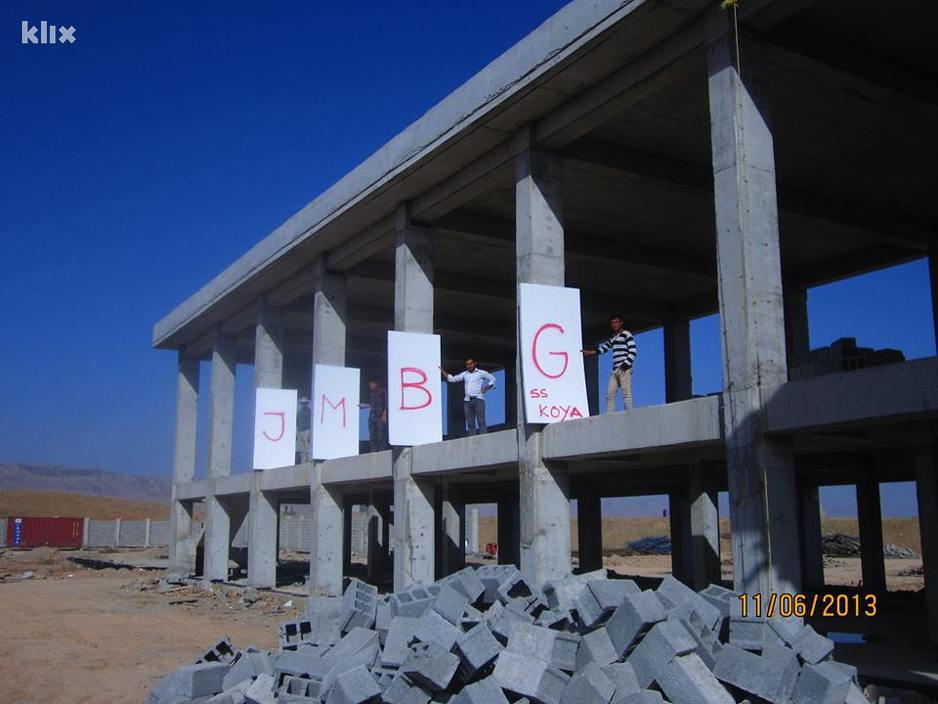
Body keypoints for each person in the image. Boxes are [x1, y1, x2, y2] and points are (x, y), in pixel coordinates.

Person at [582, 313, 638, 413]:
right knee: (610, 394)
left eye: (616, 322)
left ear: (621, 322)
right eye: (612, 323)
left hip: (624, 368)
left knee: (626, 393)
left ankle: (629, 414)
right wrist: (590, 352)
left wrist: (625, 365)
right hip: (615, 369)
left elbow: (633, 351)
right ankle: (609, 416)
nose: (614, 324)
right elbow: (604, 348)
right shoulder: (613, 338)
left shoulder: (626, 334)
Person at [441, 358, 496, 435]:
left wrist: (486, 388)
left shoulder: (481, 373)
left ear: (474, 364)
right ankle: (472, 439)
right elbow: (453, 379)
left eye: (470, 364)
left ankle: (483, 437)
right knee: (470, 423)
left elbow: (493, 379)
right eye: (467, 364)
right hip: (467, 401)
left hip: (478, 399)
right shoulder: (465, 374)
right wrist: (443, 371)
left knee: (481, 421)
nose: (469, 366)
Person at [361, 377, 388, 452]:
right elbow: (372, 404)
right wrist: (365, 405)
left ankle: (382, 450)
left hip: (379, 415)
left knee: (380, 435)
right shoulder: (371, 393)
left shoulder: (382, 392)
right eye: (370, 385)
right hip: (372, 415)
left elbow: (386, 404)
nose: (371, 386)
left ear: (376, 384)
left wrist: (384, 415)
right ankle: (374, 450)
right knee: (372, 435)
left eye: (372, 384)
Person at [296, 397, 311, 464]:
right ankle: (303, 462)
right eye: (302, 403)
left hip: (307, 431)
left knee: (307, 447)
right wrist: (297, 433)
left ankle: (308, 461)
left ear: (306, 404)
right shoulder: (299, 413)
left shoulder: (309, 412)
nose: (303, 404)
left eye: (304, 403)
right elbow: (297, 422)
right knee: (302, 448)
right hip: (300, 431)